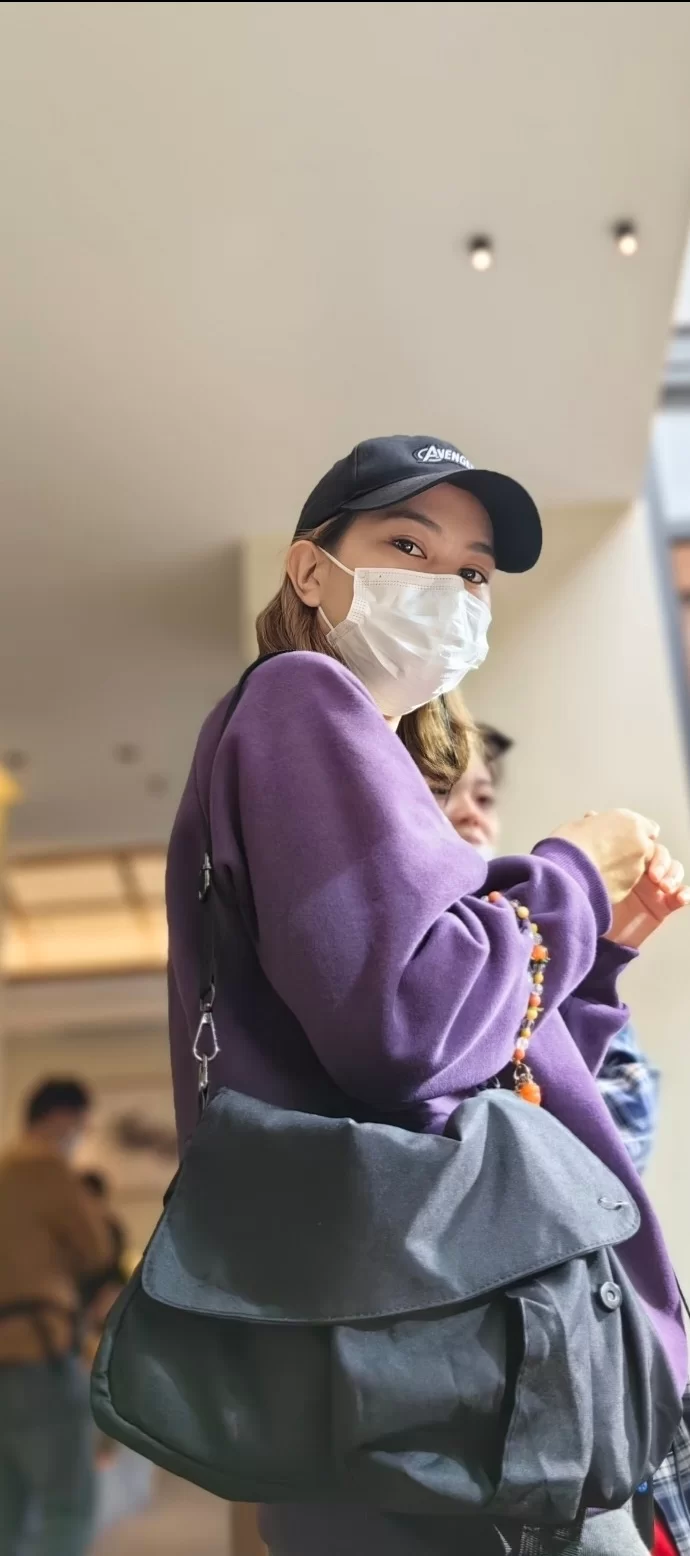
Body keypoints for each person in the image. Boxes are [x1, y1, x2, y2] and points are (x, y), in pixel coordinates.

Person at [166, 434, 689, 1556]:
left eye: (473, 571)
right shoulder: (304, 694)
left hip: (451, 1367)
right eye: (408, 544)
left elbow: (469, 1065)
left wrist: (592, 955)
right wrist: (569, 873)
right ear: (311, 570)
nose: (449, 587)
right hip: (465, 1377)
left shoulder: (375, 772)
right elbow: (407, 1028)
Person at [435, 720, 661, 1173]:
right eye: (439, 791)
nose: (471, 814)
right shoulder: (421, 948)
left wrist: (600, 967)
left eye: (483, 797)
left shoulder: (532, 930)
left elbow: (628, 1118)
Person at [0, 1078, 114, 1556]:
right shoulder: (45, 1169)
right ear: (62, 1119)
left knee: (8, 1513)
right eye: (82, 1128)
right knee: (67, 1506)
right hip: (39, 1352)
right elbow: (98, 1249)